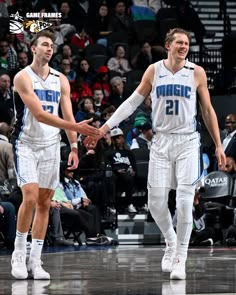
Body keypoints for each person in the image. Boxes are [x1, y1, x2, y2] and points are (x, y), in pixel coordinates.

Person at [85, 28, 226, 280]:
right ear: (168, 45)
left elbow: (207, 110)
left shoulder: (197, 72)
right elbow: (131, 103)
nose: (184, 46)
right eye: (179, 42)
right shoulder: (154, 70)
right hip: (160, 142)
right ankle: (170, 241)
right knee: (156, 203)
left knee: (184, 202)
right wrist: (104, 128)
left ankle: (181, 256)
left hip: (187, 141)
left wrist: (218, 145)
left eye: (187, 43)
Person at [10, 30, 101, 280]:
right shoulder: (22, 77)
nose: (50, 49)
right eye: (45, 45)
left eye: (52, 45)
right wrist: (77, 129)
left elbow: (68, 115)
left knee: (44, 203)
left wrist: (74, 146)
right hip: (26, 143)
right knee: (29, 197)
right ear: (33, 48)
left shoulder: (60, 79)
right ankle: (19, 253)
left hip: (51, 145)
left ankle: (36, 260)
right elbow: (39, 115)